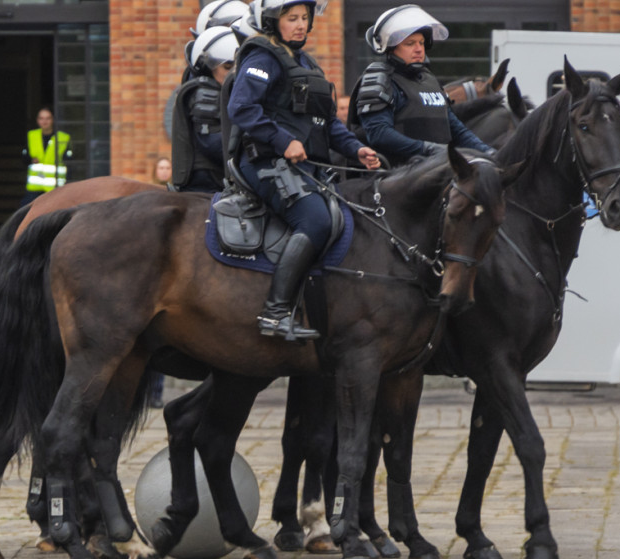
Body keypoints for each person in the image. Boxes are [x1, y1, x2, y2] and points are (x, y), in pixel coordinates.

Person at [228, 0, 380, 340]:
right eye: (291, 18)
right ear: (272, 22)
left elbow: (327, 125)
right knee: (315, 220)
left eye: (304, 18)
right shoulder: (263, 57)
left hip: (304, 166)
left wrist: (357, 150)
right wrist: (282, 140)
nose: (300, 25)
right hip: (265, 162)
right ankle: (275, 311)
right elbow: (241, 108)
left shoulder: (307, 63)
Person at [352, 4, 494, 167]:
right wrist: (428, 149)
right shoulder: (380, 79)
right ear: (391, 48)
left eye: (421, 42)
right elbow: (379, 134)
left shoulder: (429, 80)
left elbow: (455, 128)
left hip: (438, 173)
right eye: (410, 43)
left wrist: (489, 153)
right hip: (396, 177)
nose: (419, 49)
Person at [172, 26, 240, 193]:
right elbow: (213, 144)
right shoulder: (206, 93)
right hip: (207, 183)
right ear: (208, 67)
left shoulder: (223, 91)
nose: (233, 73)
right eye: (227, 67)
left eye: (236, 66)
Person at [21, 108, 71, 206]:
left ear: (53, 120)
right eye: (41, 118)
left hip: (56, 187)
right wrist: (31, 160)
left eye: (48, 118)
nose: (44, 121)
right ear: (37, 120)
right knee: (25, 211)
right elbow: (24, 159)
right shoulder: (32, 136)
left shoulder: (63, 138)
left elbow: (70, 163)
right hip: (35, 188)